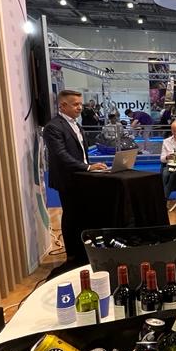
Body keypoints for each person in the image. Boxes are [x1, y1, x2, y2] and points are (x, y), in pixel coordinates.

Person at [42, 90, 108, 265]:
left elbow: (81, 154)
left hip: (82, 178)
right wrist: (87, 167)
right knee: (71, 216)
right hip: (68, 180)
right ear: (63, 106)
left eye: (80, 104)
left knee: (83, 215)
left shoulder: (77, 126)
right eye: (75, 104)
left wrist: (91, 166)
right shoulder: (53, 127)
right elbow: (61, 155)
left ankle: (84, 251)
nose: (80, 107)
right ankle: (72, 255)